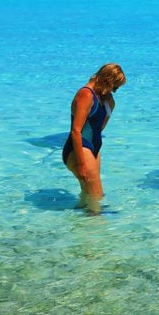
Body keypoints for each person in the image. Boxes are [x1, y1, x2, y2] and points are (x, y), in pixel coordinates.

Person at [62, 63, 126, 213]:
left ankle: (80, 228)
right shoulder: (86, 94)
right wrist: (82, 164)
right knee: (97, 195)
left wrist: (109, 108)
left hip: (93, 147)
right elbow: (76, 131)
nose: (115, 91)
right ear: (106, 80)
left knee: (87, 197)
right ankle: (97, 232)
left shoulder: (103, 98)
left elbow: (99, 128)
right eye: (114, 86)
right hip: (79, 148)